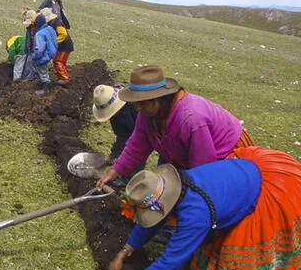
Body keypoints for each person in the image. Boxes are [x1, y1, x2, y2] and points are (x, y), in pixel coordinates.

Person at [108, 146, 301, 270]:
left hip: (268, 191)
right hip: (240, 177)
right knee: (208, 242)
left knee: (238, 257)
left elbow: (172, 260)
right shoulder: (178, 185)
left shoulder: (195, 213)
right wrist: (124, 252)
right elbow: (152, 221)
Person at [97, 65, 254, 188]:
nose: (138, 108)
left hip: (226, 153)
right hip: (194, 157)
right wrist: (115, 171)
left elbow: (203, 168)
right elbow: (137, 144)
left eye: (142, 102)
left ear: (158, 98)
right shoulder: (148, 113)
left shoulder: (191, 119)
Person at [31, 10, 58, 96]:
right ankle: (41, 82)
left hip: (43, 56)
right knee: (43, 69)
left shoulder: (39, 34)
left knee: (42, 71)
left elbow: (40, 49)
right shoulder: (50, 28)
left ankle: (45, 89)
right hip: (51, 53)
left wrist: (34, 56)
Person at [20, 7, 39, 81]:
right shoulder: (29, 28)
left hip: (36, 50)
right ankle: (26, 79)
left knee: (32, 64)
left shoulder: (39, 29)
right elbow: (28, 39)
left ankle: (31, 79)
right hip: (30, 49)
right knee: (28, 63)